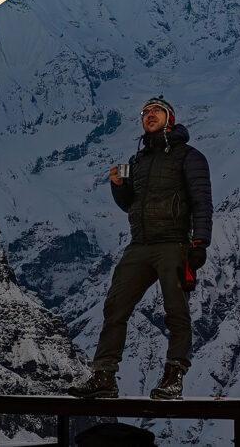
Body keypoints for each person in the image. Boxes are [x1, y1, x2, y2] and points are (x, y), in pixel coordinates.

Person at [67, 96, 213, 400]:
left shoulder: (189, 157)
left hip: (173, 243)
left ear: (169, 118)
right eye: (145, 112)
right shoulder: (138, 161)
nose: (149, 115)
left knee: (176, 311)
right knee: (115, 307)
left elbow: (202, 202)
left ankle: (174, 376)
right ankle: (104, 376)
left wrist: (199, 243)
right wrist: (118, 186)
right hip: (139, 245)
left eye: (156, 111)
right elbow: (129, 205)